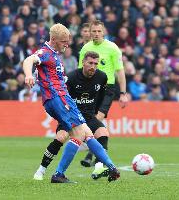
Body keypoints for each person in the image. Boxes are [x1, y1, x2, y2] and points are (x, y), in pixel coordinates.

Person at [22, 23, 120, 183]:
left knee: (87, 132)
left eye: (67, 41)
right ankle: (58, 174)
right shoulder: (45, 53)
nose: (67, 45)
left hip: (62, 98)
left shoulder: (54, 54)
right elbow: (28, 60)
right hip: (57, 98)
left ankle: (111, 167)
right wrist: (28, 75)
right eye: (63, 41)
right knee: (78, 134)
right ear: (53, 39)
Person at [33, 51, 111, 181]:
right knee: (61, 137)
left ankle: (98, 167)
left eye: (96, 64)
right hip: (70, 115)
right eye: (90, 63)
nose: (93, 66)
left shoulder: (102, 77)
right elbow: (61, 97)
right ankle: (41, 170)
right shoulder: (72, 78)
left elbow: (101, 95)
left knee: (103, 133)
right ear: (83, 63)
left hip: (88, 116)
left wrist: (96, 112)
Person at [79, 20, 129, 167]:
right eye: (93, 31)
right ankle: (95, 153)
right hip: (90, 89)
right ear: (90, 32)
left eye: (99, 31)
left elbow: (120, 71)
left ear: (104, 31)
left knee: (98, 118)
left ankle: (90, 154)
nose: (96, 34)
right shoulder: (86, 48)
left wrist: (123, 93)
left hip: (107, 89)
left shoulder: (112, 48)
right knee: (95, 122)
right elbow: (80, 71)